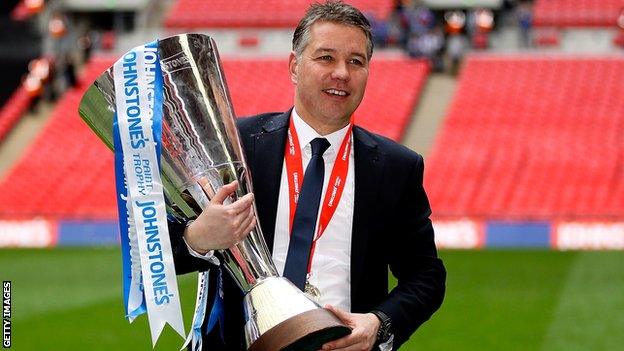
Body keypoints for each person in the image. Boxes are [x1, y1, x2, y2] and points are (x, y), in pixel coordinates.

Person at [168, 1, 446, 350]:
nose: (342, 73)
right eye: (326, 58)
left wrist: (378, 324)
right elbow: (158, 250)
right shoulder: (233, 147)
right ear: (294, 66)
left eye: (356, 61)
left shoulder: (396, 167)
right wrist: (198, 237)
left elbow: (426, 277)